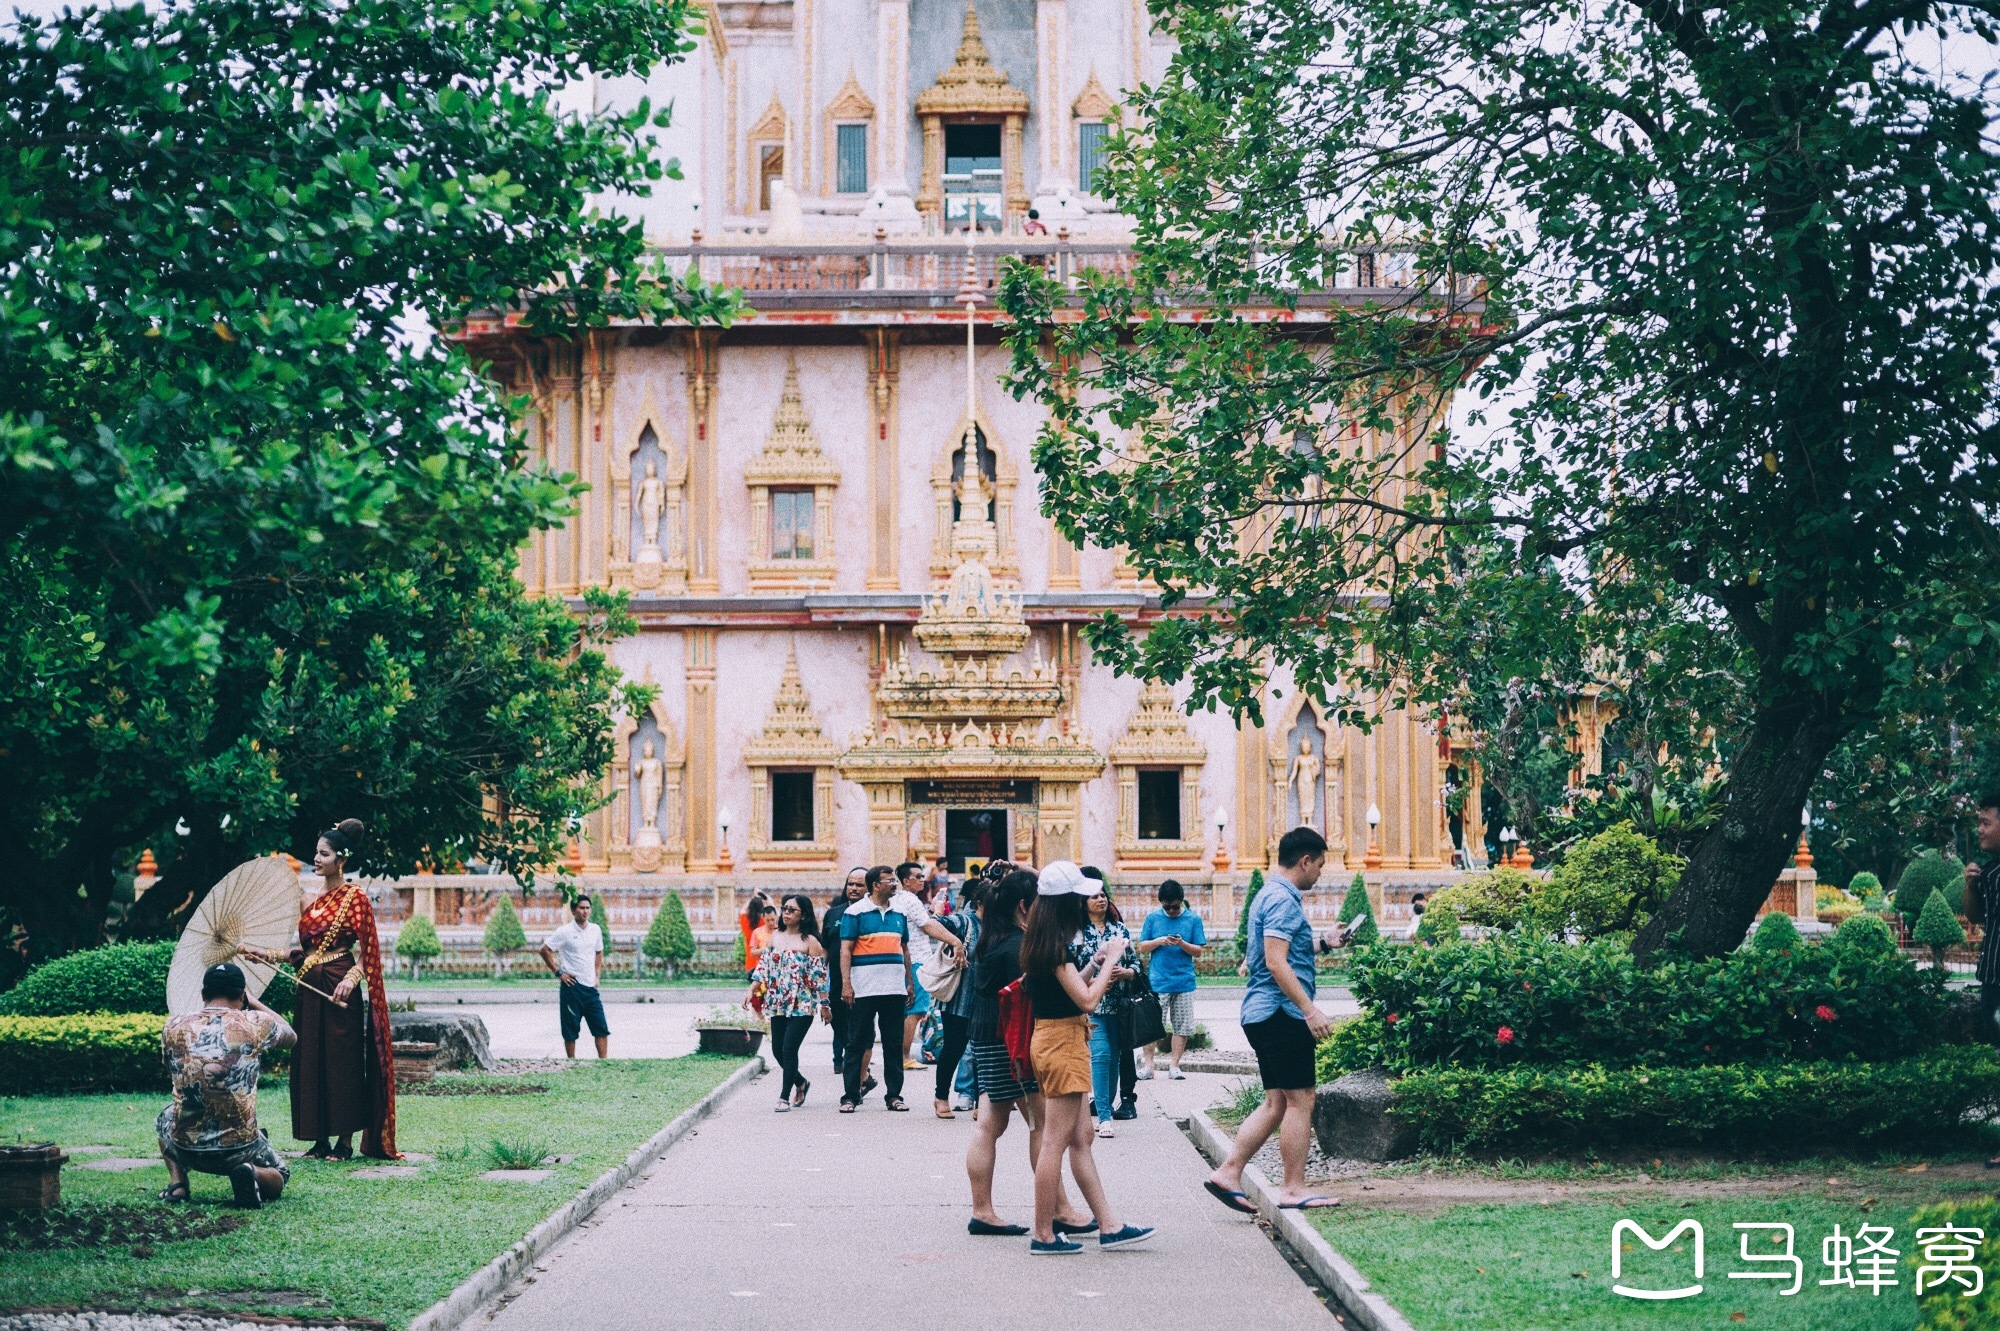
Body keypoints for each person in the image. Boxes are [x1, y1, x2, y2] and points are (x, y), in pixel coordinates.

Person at [242, 818, 397, 1160]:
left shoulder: (354, 898)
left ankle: (344, 1142)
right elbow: (301, 954)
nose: (316, 859)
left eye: (323, 854)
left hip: (339, 988)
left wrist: (350, 979)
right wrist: (263, 953)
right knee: (310, 1060)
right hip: (310, 987)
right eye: (316, 853)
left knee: (343, 1063)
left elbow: (371, 954)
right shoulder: (312, 900)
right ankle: (320, 1139)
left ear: (340, 859)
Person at [1205, 826, 1342, 1213]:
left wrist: (1323, 943)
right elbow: (1274, 960)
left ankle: (1229, 1173)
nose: (1320, 873)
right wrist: (1309, 1010)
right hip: (1281, 1013)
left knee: (1276, 1104)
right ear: (1304, 861)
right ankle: (1293, 1188)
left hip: (1262, 1012)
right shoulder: (1284, 899)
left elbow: (1279, 951)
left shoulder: (1269, 893)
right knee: (1302, 1101)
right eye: (1319, 865)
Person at [1022, 861, 1154, 1254]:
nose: (1086, 901)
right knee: (1054, 1143)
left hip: (1058, 1037)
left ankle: (1110, 1225)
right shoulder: (1053, 942)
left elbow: (1071, 987)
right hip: (1061, 1042)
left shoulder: (1044, 938)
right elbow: (1087, 1000)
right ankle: (1043, 1233)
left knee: (1082, 1136)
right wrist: (1112, 958)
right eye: (1080, 895)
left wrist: (1096, 962)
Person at [962, 869, 1091, 1238]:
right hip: (1013, 1039)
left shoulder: (992, 939)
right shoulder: (1019, 946)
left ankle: (982, 1210)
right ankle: (1059, 1210)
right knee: (1042, 1125)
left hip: (986, 1035)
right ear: (1024, 906)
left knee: (990, 1124)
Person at [157, 962, 296, 1208]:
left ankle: (178, 1185)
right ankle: (251, 1172)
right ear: (242, 994)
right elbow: (290, 1036)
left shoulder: (172, 1025)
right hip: (239, 1148)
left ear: (203, 994)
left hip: (186, 1146)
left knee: (165, 1116)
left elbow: (172, 1069)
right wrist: (253, 1002)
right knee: (279, 1174)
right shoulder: (256, 1022)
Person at [839, 865, 913, 1112]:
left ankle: (894, 1095)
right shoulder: (855, 912)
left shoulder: (900, 913)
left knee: (894, 1043)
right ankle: (850, 1096)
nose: (894, 884)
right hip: (864, 988)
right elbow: (845, 950)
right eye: (889, 880)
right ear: (875, 885)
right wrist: (847, 985)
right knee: (857, 1043)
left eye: (894, 880)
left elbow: (904, 949)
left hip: (894, 988)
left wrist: (909, 982)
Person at [749, 893, 829, 1110]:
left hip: (802, 1004)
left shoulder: (811, 942)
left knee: (789, 1049)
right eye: (784, 908)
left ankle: (783, 1097)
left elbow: (819, 977)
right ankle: (801, 1082)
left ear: (804, 915)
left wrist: (825, 1004)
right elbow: (763, 967)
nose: (786, 913)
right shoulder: (776, 937)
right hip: (778, 1002)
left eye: (792, 910)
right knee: (777, 1049)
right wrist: (752, 989)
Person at [1078, 870, 1137, 1136]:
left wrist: (1125, 973)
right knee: (1100, 1056)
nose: (1100, 899)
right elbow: (1074, 970)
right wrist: (1094, 979)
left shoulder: (1119, 929)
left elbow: (1136, 964)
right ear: (1083, 901)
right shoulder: (1077, 933)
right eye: (1093, 896)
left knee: (1114, 1058)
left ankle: (1107, 1106)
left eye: (1103, 895)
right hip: (1094, 1006)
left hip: (1119, 1007)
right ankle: (1103, 1117)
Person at [893, 859, 960, 1071]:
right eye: (918, 877)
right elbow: (928, 926)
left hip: (903, 958)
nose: (923, 880)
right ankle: (903, 1056)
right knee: (916, 1009)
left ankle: (898, 1054)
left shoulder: (897, 899)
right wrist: (952, 938)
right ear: (906, 881)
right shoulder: (911, 901)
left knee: (907, 1009)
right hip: (916, 958)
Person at [1962, 791, 2000, 1167]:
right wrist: (1971, 883)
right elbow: (1975, 918)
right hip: (1993, 977)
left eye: (1986, 822)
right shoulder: (1990, 871)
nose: (1980, 829)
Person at [1137, 878, 1207, 1079]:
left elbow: (1198, 951)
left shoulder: (1193, 920)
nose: (1171, 911)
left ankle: (1174, 1066)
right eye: (1167, 908)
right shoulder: (1152, 919)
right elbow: (1142, 947)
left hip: (1184, 982)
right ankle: (1148, 1066)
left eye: (1175, 907)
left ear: (1182, 902)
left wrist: (1181, 943)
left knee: (1182, 1026)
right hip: (1158, 982)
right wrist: (1158, 941)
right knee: (1152, 1027)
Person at [932, 877, 984, 1118]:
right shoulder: (965, 922)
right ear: (981, 903)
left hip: (988, 998)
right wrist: (955, 942)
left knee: (987, 1049)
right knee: (955, 1047)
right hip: (959, 997)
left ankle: (983, 1102)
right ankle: (941, 1096)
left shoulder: (1003, 926)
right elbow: (931, 924)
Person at [540, 894, 610, 1059]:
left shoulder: (595, 929)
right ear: (573, 910)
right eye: (581, 908)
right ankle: (571, 1061)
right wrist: (559, 972)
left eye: (587, 908)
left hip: (590, 987)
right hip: (572, 986)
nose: (585, 912)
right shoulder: (564, 931)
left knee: (600, 1027)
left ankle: (604, 1062)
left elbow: (599, 951)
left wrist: (597, 975)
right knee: (570, 1028)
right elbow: (544, 950)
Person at [822, 868, 872, 1090]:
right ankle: (863, 1075)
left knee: (863, 1034)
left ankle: (858, 1082)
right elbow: (824, 950)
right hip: (836, 985)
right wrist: (818, 984)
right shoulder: (834, 914)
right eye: (850, 884)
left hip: (865, 985)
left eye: (859, 885)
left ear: (869, 888)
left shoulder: (873, 913)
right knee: (842, 1031)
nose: (853, 888)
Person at [742, 896, 772, 981]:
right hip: (763, 963)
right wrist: (767, 899)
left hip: (750, 963)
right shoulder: (764, 921)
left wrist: (751, 898)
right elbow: (772, 912)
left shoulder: (744, 920)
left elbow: (743, 910)